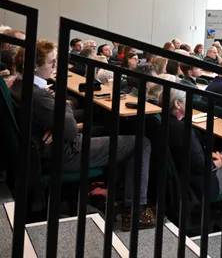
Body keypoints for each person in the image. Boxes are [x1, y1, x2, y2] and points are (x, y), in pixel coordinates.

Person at [11, 40, 155, 230]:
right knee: (140, 143)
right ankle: (135, 212)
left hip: (49, 149)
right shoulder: (38, 95)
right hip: (65, 152)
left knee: (105, 126)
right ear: (35, 66)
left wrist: (59, 116)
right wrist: (61, 102)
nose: (55, 65)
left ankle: (108, 192)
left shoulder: (21, 85)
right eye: (51, 62)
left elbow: (63, 119)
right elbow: (70, 129)